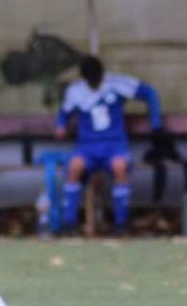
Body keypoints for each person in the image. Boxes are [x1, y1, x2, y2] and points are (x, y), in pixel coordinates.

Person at [54, 55, 165, 234]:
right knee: (74, 167)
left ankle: (121, 223)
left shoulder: (118, 83)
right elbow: (63, 113)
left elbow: (150, 93)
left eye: (96, 79)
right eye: (90, 81)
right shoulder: (75, 91)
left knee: (120, 167)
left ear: (101, 74)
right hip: (87, 146)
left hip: (114, 145)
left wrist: (156, 124)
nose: (94, 83)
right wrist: (60, 126)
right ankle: (69, 223)